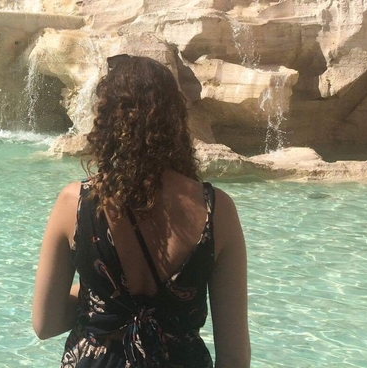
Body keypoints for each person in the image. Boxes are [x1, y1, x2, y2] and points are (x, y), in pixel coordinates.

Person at [33, 55, 250, 367]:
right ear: (176, 122)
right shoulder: (217, 210)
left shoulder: (75, 203)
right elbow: (234, 356)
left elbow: (45, 323)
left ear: (106, 122)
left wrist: (100, 294)